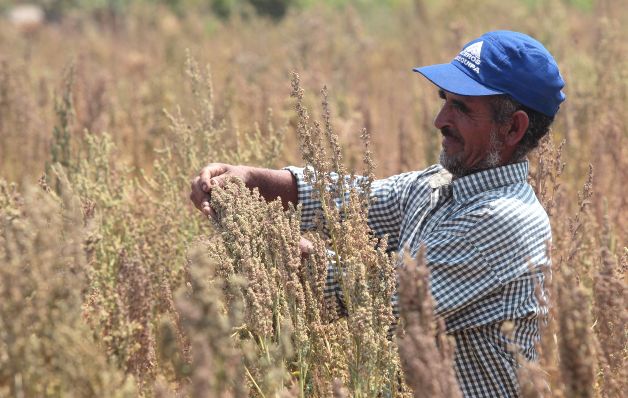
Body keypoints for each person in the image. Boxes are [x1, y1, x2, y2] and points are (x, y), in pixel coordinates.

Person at [190, 30, 565, 397]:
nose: (440, 119)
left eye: (462, 107)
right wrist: (250, 180)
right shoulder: (440, 182)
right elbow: (350, 200)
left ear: (514, 127)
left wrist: (257, 233)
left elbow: (367, 294)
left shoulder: (505, 221)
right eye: (444, 99)